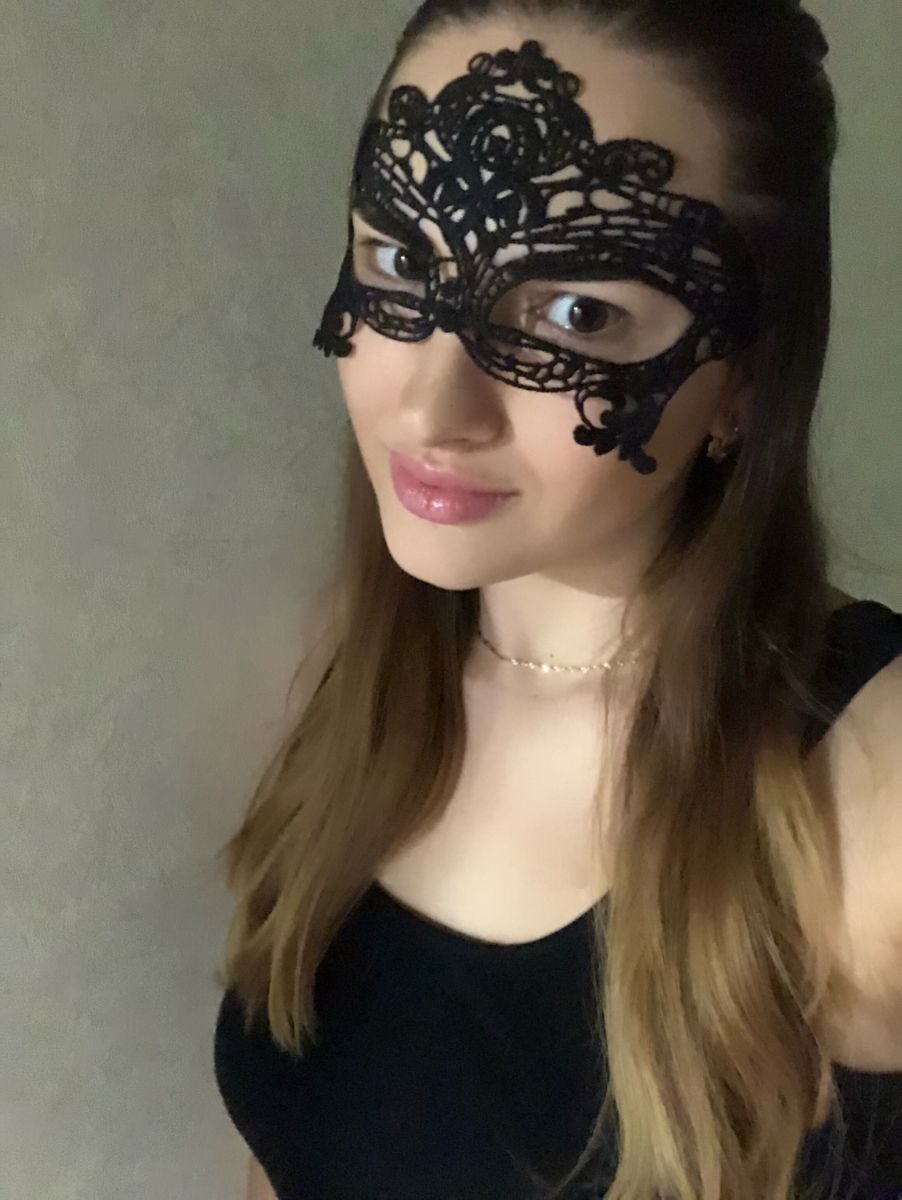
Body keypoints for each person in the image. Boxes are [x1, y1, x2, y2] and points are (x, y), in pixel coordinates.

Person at [213, 3, 902, 1198]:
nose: (433, 409)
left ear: (741, 381)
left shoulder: (871, 794)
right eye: (400, 264)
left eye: (576, 313)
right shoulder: (348, 675)